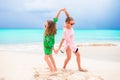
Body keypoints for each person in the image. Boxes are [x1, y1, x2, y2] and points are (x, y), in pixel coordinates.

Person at [43, 9, 64, 74]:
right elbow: (55, 19)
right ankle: (55, 68)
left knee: (46, 58)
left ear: (48, 26)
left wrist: (54, 49)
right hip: (47, 47)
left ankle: (52, 70)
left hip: (47, 47)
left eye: (45, 25)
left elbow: (51, 44)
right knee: (51, 57)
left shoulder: (49, 35)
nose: (44, 26)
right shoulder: (50, 30)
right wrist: (59, 11)